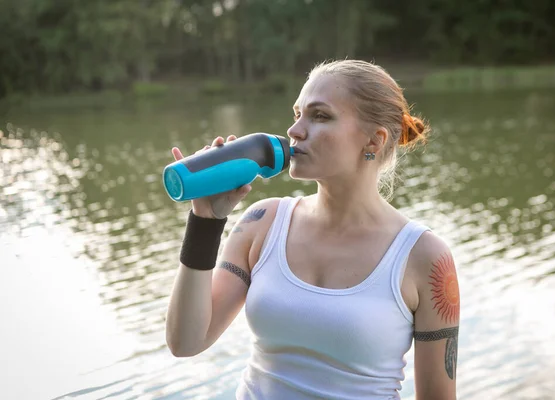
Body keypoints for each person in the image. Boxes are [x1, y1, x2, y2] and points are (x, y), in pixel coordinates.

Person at [165, 59, 461, 399]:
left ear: (374, 141)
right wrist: (206, 221)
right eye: (297, 114)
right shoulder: (262, 223)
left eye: (319, 116)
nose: (295, 131)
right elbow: (186, 342)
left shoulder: (423, 257)